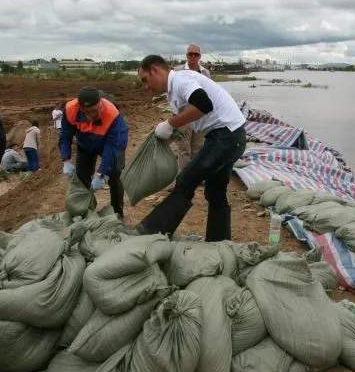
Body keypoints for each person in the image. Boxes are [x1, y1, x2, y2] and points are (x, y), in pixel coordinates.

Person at [135, 55, 247, 241]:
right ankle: (219, 242)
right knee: (215, 192)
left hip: (226, 137)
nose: (146, 86)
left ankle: (151, 234)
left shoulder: (181, 79)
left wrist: (170, 123)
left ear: (155, 70)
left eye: (145, 80)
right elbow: (189, 116)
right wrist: (170, 133)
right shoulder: (174, 90)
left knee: (186, 181)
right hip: (231, 137)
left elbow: (204, 105)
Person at [59, 86, 129, 219]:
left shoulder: (112, 115)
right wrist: (66, 160)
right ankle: (83, 209)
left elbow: (113, 147)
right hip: (85, 143)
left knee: (114, 176)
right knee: (82, 175)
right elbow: (65, 136)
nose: (97, 113)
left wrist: (101, 174)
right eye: (91, 111)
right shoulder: (71, 110)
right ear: (82, 109)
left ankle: (117, 213)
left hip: (109, 143)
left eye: (99, 108)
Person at [174, 44, 211, 174]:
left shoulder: (205, 73)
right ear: (186, 55)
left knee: (198, 148)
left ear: (200, 56)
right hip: (184, 115)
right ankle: (182, 176)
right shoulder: (177, 71)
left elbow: (209, 94)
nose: (193, 56)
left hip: (200, 116)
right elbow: (173, 93)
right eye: (191, 54)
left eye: (196, 54)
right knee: (184, 148)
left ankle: (195, 177)